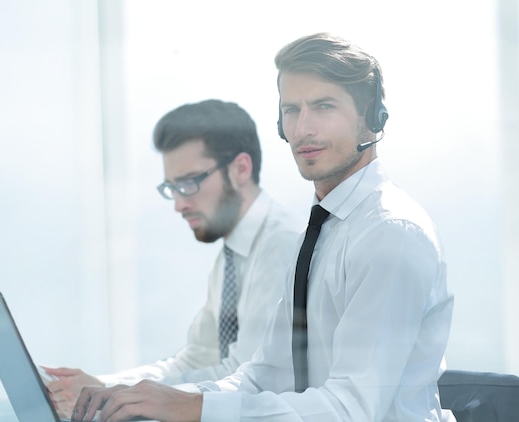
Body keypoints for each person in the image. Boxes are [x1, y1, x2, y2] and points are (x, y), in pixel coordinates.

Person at [70, 32, 455, 422]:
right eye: (291, 110)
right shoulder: (324, 230)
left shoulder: (390, 233)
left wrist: (194, 407)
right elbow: (262, 376)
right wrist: (152, 399)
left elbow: (351, 408)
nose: (303, 128)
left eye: (324, 106)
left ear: (372, 117)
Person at [44, 99, 305, 416]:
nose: (179, 205)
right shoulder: (235, 250)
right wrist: (103, 387)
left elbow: (247, 376)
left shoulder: (281, 245)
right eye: (172, 188)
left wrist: (115, 396)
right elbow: (199, 357)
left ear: (240, 169)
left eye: (189, 183)